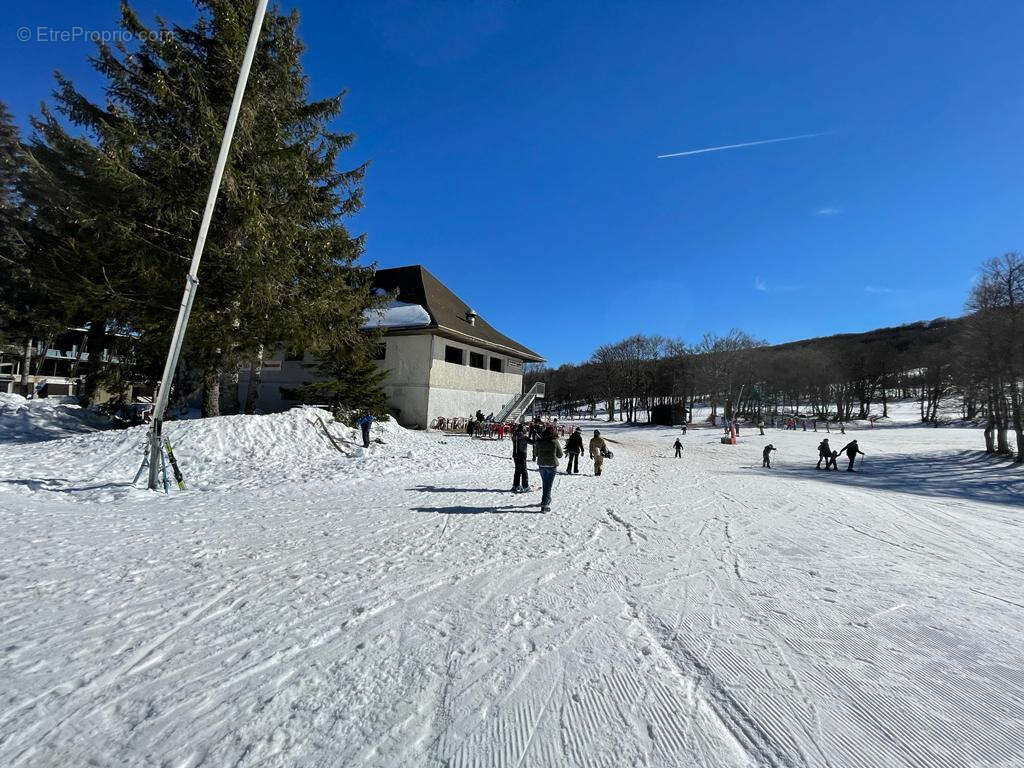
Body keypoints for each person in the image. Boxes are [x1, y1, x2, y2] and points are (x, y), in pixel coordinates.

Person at [534, 425, 563, 511]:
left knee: (545, 484)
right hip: (551, 465)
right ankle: (545, 505)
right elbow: (560, 455)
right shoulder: (555, 442)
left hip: (542, 465)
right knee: (548, 486)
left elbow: (536, 454)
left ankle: (546, 500)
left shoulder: (540, 441)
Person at [511, 424, 532, 493]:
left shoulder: (515, 435)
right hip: (521, 454)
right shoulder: (523, 436)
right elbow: (532, 442)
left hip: (515, 454)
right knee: (524, 471)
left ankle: (515, 485)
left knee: (517, 470)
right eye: (525, 429)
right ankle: (525, 486)